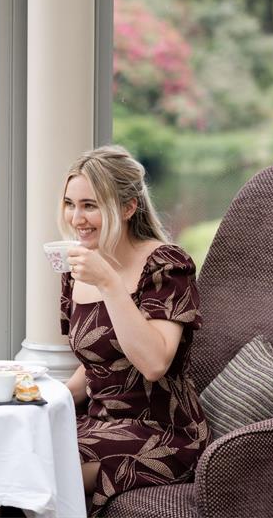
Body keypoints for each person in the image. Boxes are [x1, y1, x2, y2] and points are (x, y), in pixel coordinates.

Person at [58, 145, 209, 515]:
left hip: (162, 432)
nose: (77, 218)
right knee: (12, 451)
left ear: (128, 208)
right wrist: (39, 399)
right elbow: (97, 364)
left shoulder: (167, 265)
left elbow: (154, 363)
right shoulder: (78, 268)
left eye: (90, 205)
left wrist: (108, 283)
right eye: (70, 204)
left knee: (45, 470)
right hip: (98, 422)